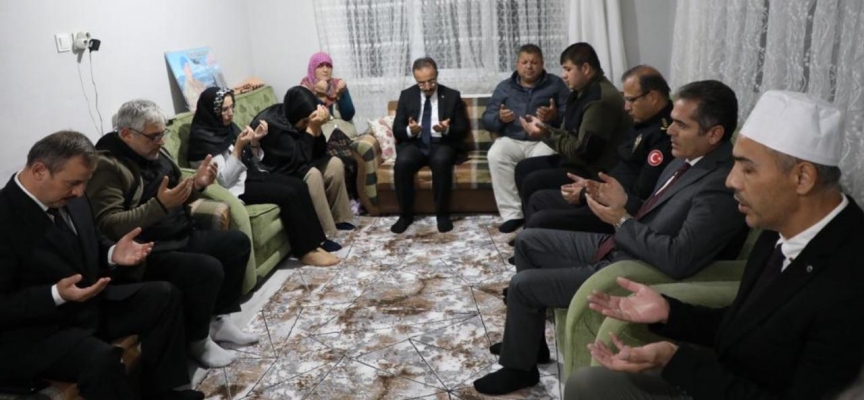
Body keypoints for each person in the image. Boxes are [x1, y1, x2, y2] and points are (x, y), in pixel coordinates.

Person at [569, 90, 864, 400]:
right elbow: (744, 325)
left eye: (748, 169)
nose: (731, 181)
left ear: (802, 178)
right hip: (724, 377)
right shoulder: (779, 228)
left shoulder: (849, 278)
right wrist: (670, 312)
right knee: (587, 384)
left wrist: (677, 361)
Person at [473, 80, 747, 395]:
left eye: (681, 125)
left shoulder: (720, 185)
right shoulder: (685, 159)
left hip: (635, 266)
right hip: (623, 243)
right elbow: (656, 212)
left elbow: (678, 258)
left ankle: (519, 369)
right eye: (672, 121)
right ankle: (530, 346)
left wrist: (620, 219)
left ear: (714, 133)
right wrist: (623, 201)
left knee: (523, 286)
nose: (670, 130)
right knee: (528, 240)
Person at [0, 131, 201, 400]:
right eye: (73, 183)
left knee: (164, 296)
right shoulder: (6, 216)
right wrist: (55, 294)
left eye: (84, 182)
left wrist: (112, 253)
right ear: (39, 171)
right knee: (101, 360)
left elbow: (91, 238)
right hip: (38, 329)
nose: (80, 192)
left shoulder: (72, 196)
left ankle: (164, 392)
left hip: (88, 304)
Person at [87, 99, 257, 369]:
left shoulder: (157, 153)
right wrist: (160, 206)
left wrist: (197, 184)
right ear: (127, 134)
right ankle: (198, 340)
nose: (162, 141)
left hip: (179, 233)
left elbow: (177, 194)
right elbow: (110, 224)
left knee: (236, 243)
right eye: (154, 136)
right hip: (147, 250)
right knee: (207, 269)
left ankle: (219, 321)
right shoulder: (107, 166)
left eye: (162, 133)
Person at [187, 87, 339, 266]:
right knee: (288, 194)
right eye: (224, 109)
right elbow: (223, 180)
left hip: (249, 175)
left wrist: (254, 142)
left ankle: (316, 244)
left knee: (298, 185)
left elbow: (252, 159)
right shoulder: (202, 139)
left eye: (232, 107)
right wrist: (238, 147)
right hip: (236, 188)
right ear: (211, 112)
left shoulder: (227, 128)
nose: (230, 113)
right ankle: (305, 252)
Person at [523, 65, 674, 233]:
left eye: (631, 100)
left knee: (541, 220)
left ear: (652, 97)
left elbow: (640, 193)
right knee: (538, 199)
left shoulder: (664, 136)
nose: (626, 107)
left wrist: (588, 193)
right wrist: (590, 185)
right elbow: (620, 167)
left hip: (615, 212)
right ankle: (526, 244)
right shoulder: (643, 121)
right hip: (602, 190)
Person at [513, 42, 632, 232]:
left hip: (595, 170)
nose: (564, 75)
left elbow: (582, 153)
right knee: (523, 168)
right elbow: (567, 133)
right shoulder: (579, 93)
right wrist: (544, 128)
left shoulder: (600, 100)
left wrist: (545, 134)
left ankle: (537, 232)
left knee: (533, 181)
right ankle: (531, 230)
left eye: (568, 69)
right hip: (579, 161)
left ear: (585, 68)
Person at [483, 44, 570, 233]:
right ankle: (512, 215)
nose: (529, 66)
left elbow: (571, 115)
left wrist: (555, 115)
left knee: (539, 162)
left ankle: (535, 211)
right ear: (517, 64)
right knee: (496, 154)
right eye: (524, 62)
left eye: (534, 62)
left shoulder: (556, 84)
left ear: (542, 64)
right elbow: (487, 119)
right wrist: (499, 118)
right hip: (512, 139)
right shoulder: (504, 87)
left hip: (544, 139)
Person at [251, 87, 355, 238]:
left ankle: (340, 218)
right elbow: (298, 160)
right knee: (313, 175)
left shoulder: (298, 116)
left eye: (309, 121)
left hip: (300, 161)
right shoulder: (274, 125)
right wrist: (311, 128)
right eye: (305, 122)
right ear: (296, 115)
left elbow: (319, 152)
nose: (306, 125)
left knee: (335, 163)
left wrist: (317, 129)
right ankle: (324, 233)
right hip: (280, 169)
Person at [389, 57, 470, 233]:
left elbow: (463, 129)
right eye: (421, 83)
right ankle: (405, 216)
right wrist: (410, 130)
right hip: (416, 143)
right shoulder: (407, 95)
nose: (427, 87)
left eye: (431, 81)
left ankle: (442, 215)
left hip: (442, 142)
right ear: (415, 79)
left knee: (441, 161)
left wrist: (446, 129)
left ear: (437, 75)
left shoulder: (452, 96)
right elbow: (397, 129)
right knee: (402, 162)